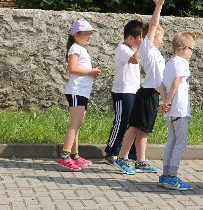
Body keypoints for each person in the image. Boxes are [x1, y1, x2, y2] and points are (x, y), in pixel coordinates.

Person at [115, 0, 166, 175]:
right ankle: (122, 157)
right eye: (160, 37)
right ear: (151, 37)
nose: (162, 40)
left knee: (144, 130)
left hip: (154, 94)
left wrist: (165, 99)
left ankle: (141, 161)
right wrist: (159, 6)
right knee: (135, 126)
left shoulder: (156, 53)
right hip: (146, 94)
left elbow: (161, 78)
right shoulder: (147, 47)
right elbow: (153, 25)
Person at [58, 19, 101, 171]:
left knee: (78, 124)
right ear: (76, 35)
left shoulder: (81, 49)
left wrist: (91, 73)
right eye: (86, 33)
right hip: (76, 91)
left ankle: (74, 155)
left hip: (82, 91)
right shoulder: (75, 48)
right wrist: (91, 71)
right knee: (75, 124)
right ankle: (65, 156)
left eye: (90, 33)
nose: (90, 36)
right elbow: (73, 69)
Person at [158, 32, 195, 191]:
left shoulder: (169, 63)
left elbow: (161, 86)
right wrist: (168, 101)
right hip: (179, 109)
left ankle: (165, 174)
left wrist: (165, 102)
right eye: (191, 49)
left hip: (171, 111)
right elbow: (176, 82)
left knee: (171, 141)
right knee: (181, 142)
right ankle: (172, 176)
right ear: (184, 48)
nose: (191, 53)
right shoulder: (182, 62)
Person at [104, 20, 143, 166]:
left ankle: (129, 152)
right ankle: (112, 151)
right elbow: (134, 60)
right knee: (121, 122)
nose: (141, 42)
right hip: (123, 92)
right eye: (139, 38)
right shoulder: (122, 48)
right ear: (130, 37)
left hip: (133, 91)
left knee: (133, 123)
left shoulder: (133, 49)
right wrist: (142, 46)